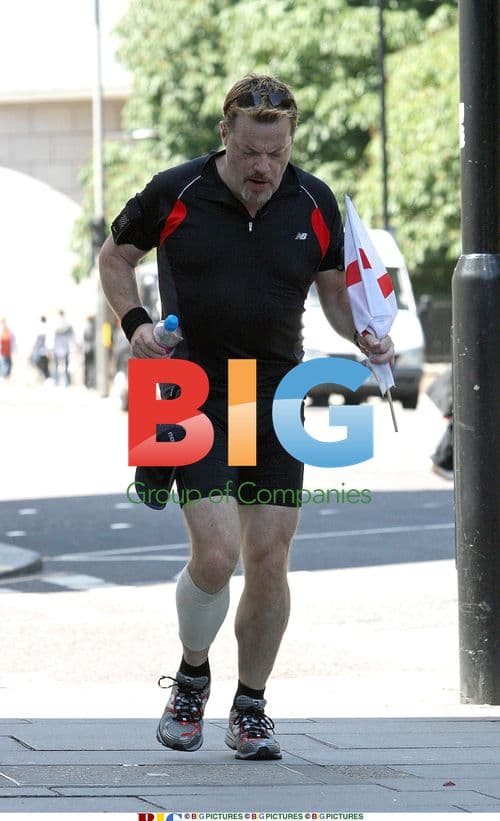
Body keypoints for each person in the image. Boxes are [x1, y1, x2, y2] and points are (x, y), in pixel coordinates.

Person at [99, 74, 394, 760]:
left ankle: (252, 705)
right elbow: (115, 257)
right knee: (216, 552)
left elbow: (334, 295)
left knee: (268, 556)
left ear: (291, 141)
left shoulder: (315, 200)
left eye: (278, 152)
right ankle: (192, 677)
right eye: (252, 151)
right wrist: (135, 322)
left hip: (274, 394)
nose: (265, 167)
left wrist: (364, 335)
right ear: (225, 136)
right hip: (187, 390)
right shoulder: (174, 192)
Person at [51, 310, 74, 387]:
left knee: (56, 366)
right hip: (65, 347)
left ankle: (56, 381)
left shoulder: (55, 323)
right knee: (66, 366)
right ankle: (67, 382)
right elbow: (71, 336)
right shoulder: (67, 324)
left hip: (57, 347)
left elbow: (52, 336)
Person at [30, 315, 50, 380]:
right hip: (44, 351)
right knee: (45, 366)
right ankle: (45, 378)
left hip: (40, 351)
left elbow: (36, 341)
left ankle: (45, 378)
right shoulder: (47, 328)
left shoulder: (40, 328)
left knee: (42, 365)